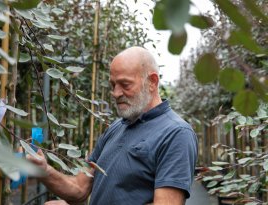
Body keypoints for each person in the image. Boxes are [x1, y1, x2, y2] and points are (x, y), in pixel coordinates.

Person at [27, 46, 198, 205]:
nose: (115, 93)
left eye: (125, 84)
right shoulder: (117, 127)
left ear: (152, 82)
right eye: (112, 85)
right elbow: (79, 188)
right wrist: (43, 170)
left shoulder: (176, 133)